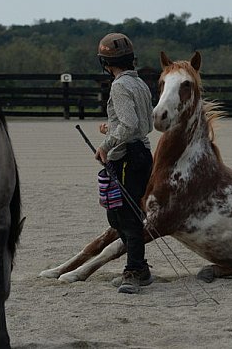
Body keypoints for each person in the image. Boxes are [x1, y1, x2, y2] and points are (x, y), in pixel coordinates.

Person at [95, 32, 154, 294]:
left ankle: (135, 271)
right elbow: (146, 124)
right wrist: (110, 127)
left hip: (127, 156)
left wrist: (106, 144)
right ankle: (139, 265)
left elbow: (130, 125)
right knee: (116, 214)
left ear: (106, 62)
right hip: (141, 152)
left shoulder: (119, 86)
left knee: (127, 216)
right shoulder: (140, 84)